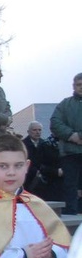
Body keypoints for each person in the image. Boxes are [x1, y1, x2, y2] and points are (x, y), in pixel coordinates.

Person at [50, 73, 82, 215]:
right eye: (78, 85)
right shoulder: (65, 104)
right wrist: (71, 135)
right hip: (70, 153)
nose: (81, 87)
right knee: (70, 186)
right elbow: (55, 123)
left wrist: (79, 136)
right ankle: (71, 215)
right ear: (73, 86)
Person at [22, 121, 44, 191]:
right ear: (28, 131)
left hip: (42, 175)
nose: (37, 132)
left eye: (39, 130)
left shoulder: (45, 144)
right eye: (34, 130)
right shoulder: (22, 144)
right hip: (27, 176)